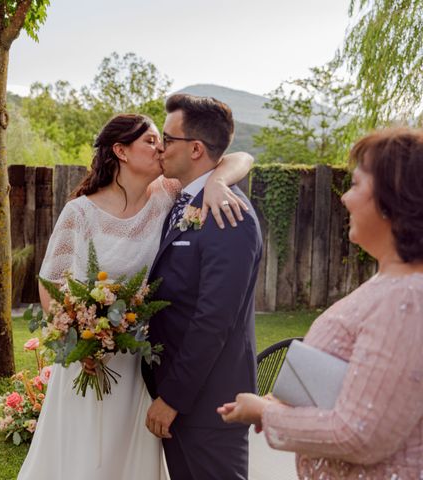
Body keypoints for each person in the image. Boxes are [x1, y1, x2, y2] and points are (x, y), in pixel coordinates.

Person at [17, 112, 254, 480]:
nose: (160, 147)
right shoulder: (79, 213)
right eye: (150, 140)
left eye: (163, 140)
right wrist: (77, 344)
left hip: (138, 366)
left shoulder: (166, 197)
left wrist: (220, 181)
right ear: (120, 151)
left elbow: (239, 158)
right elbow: (51, 286)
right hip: (87, 360)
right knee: (84, 461)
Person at [218, 128, 423, 479]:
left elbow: (361, 434)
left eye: (356, 185)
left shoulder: (407, 299)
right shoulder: (388, 283)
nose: (344, 199)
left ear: (393, 199)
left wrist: (265, 414)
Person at [141, 94, 262, 480]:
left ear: (195, 149)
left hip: (208, 404)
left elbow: (213, 320)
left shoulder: (229, 215)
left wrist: (172, 398)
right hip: (184, 401)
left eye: (166, 137)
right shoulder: (185, 200)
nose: (159, 146)